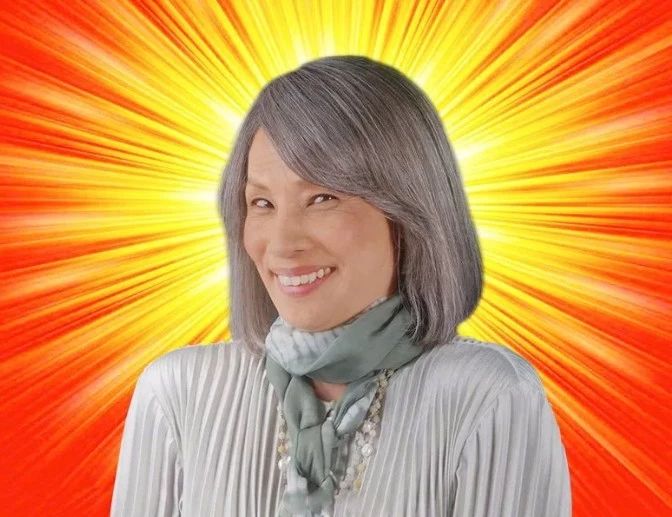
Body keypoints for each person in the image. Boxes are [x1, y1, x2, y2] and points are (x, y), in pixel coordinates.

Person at [110, 55, 572, 516]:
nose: (282, 244)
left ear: (407, 213)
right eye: (263, 203)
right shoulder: (177, 393)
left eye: (322, 198)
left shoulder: (489, 397)